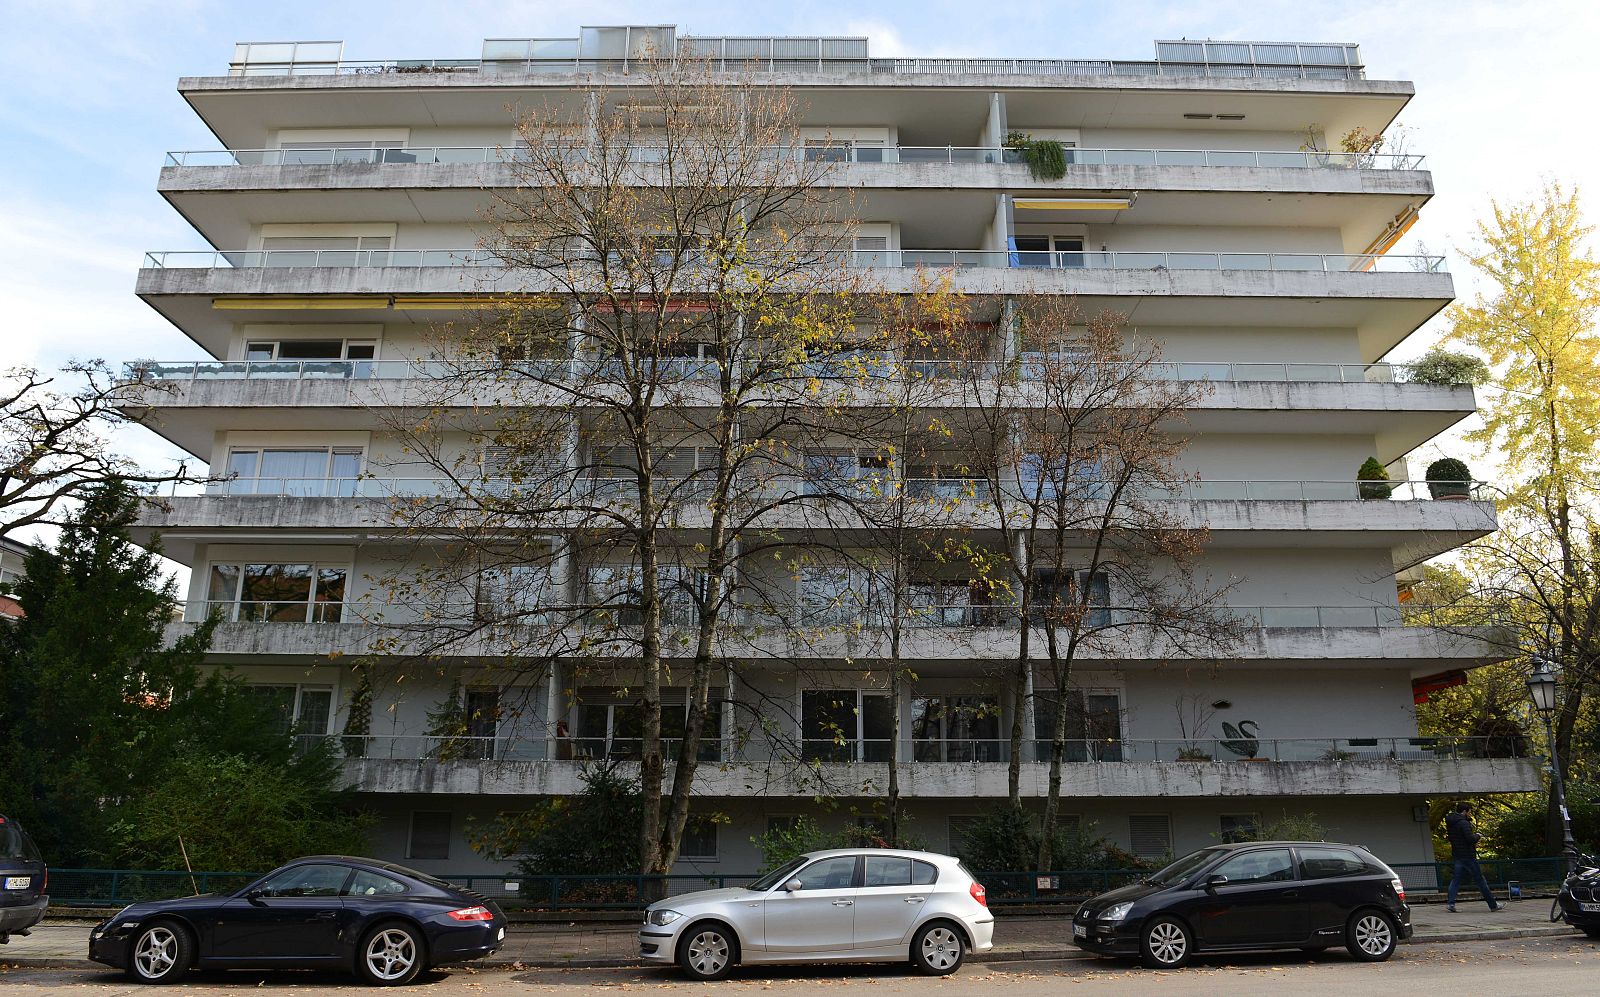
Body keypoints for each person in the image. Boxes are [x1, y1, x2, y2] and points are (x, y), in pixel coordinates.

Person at [1445, 801, 1502, 912]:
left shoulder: (1451, 823)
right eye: (1470, 811)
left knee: (1456, 880)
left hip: (1457, 854)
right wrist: (1478, 836)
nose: (1470, 814)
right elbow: (1470, 839)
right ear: (1465, 811)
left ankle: (1450, 903)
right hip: (1468, 855)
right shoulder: (1464, 823)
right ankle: (1493, 905)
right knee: (1480, 880)